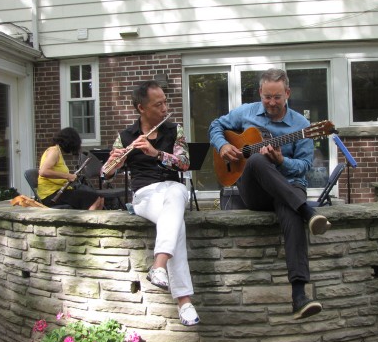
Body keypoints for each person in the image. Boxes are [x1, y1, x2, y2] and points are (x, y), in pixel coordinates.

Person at [208, 68, 331, 319]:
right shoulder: (246, 112)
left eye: (277, 97)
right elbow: (216, 125)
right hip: (255, 192)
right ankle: (307, 210)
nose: (272, 103)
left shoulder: (303, 126)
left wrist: (282, 161)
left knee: (289, 209)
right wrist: (223, 146)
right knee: (256, 161)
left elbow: (305, 167)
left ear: (287, 93)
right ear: (260, 93)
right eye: (267, 97)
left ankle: (299, 297)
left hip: (289, 187)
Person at [102, 80, 199, 326]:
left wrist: (156, 153)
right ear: (141, 108)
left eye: (165, 102)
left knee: (176, 195)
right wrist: (115, 163)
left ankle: (159, 265)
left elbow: (186, 163)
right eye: (159, 104)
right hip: (145, 195)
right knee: (176, 223)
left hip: (172, 188)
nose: (165, 108)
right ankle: (184, 301)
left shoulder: (174, 130)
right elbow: (105, 175)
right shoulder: (125, 136)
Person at [38, 127, 104, 210]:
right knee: (94, 199)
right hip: (50, 195)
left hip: (59, 191)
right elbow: (43, 172)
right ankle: (88, 221)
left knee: (100, 198)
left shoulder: (58, 152)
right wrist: (68, 176)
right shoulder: (54, 151)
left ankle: (96, 221)